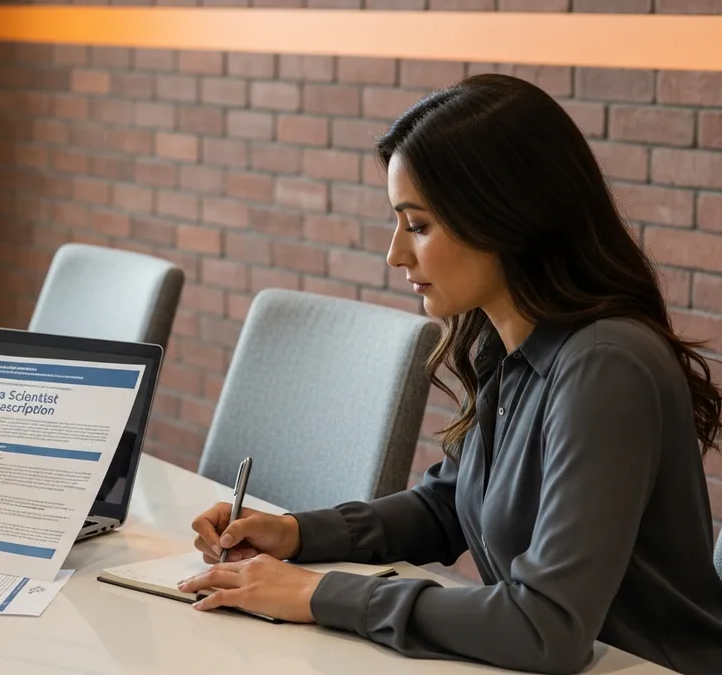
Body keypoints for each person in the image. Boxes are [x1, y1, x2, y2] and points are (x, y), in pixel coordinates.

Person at [179, 73, 722, 675]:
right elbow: (448, 508)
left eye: (418, 225)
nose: (396, 253)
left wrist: (317, 594)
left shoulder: (605, 365)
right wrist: (293, 535)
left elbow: (547, 629)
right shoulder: (509, 341)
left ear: (508, 218)